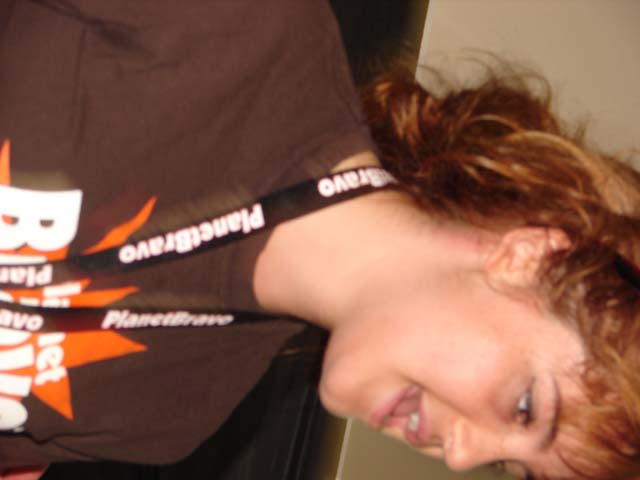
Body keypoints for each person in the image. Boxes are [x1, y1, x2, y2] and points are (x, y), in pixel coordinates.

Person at [0, 2, 638, 480]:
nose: (461, 455)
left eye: (509, 467)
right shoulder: (245, 26)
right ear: (530, 257)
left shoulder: (172, 417)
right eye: (524, 407)